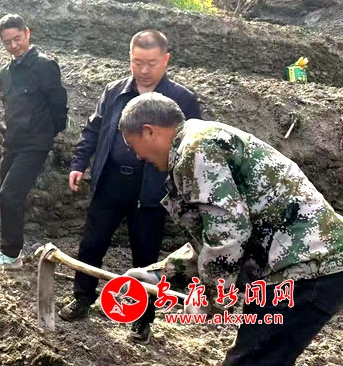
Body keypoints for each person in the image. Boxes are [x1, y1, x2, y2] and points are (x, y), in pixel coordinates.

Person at [119, 92, 343, 366]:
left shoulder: (195, 149)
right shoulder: (199, 140)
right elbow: (217, 235)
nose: (138, 156)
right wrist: (161, 275)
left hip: (304, 269)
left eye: (133, 145)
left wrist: (211, 296)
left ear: (149, 131)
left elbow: (227, 235)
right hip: (304, 264)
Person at [58, 30, 201, 345]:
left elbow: (190, 147)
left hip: (152, 190)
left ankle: (142, 318)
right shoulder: (115, 91)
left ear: (166, 60)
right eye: (137, 62)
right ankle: (82, 298)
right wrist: (79, 163)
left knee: (146, 256)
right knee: (92, 244)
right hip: (110, 182)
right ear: (130, 58)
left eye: (152, 63)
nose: (144, 70)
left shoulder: (182, 99)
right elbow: (94, 129)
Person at [0, 14, 68, 270]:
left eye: (17, 38)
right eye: (7, 42)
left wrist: (46, 134)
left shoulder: (45, 66)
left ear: (27, 33)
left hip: (35, 144)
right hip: (13, 143)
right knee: (5, 197)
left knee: (10, 194)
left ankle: (11, 256)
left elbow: (58, 106)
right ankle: (8, 248)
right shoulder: (5, 73)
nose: (13, 45)